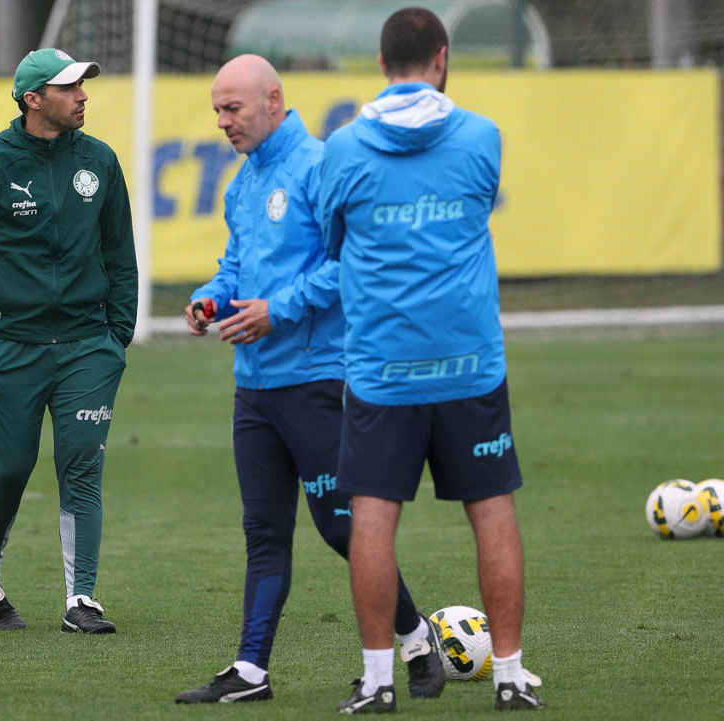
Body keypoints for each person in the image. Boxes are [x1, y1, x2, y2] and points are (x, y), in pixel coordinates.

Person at [173, 54, 444, 706]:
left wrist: (278, 310)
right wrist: (211, 299)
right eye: (216, 110)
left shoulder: (322, 166)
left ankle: (415, 638)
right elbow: (234, 266)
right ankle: (250, 670)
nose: (222, 121)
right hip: (253, 385)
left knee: (342, 527)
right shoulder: (242, 183)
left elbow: (349, 264)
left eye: (232, 108)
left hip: (317, 379)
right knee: (263, 532)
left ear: (273, 100)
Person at [318, 8, 545, 713]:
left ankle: (378, 681)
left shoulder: (343, 148)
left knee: (373, 516)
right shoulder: (482, 136)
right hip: (468, 363)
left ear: (381, 64)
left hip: (382, 367)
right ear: (442, 58)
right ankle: (510, 675)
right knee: (492, 509)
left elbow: (333, 243)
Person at [0, 48, 137, 635]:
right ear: (33, 99)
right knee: (11, 467)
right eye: (69, 87)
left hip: (88, 347)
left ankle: (82, 600)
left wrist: (118, 334)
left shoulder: (100, 161)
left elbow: (120, 253)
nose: (83, 95)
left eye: (83, 85)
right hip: (10, 347)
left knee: (82, 468)